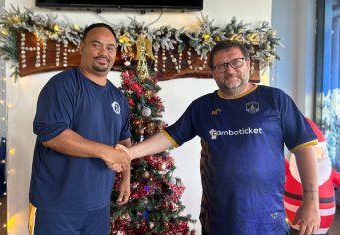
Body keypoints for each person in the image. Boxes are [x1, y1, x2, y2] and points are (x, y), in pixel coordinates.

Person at [117, 40, 321, 235]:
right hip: (218, 219)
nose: (230, 70)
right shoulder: (202, 107)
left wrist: (312, 201)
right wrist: (130, 152)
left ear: (248, 63)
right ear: (213, 72)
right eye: (222, 66)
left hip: (266, 220)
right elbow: (171, 136)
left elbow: (303, 148)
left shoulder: (276, 100)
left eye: (236, 62)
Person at [29, 23, 132, 235]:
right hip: (58, 206)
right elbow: (53, 136)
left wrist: (126, 178)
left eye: (110, 48)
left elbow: (123, 143)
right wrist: (104, 151)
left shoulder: (118, 98)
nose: (104, 52)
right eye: (96, 45)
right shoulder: (62, 85)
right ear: (82, 47)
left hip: (99, 205)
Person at [284, 118, 340, 235]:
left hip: (322, 229)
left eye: (317, 151)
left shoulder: (328, 172)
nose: (312, 159)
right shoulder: (291, 169)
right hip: (294, 227)